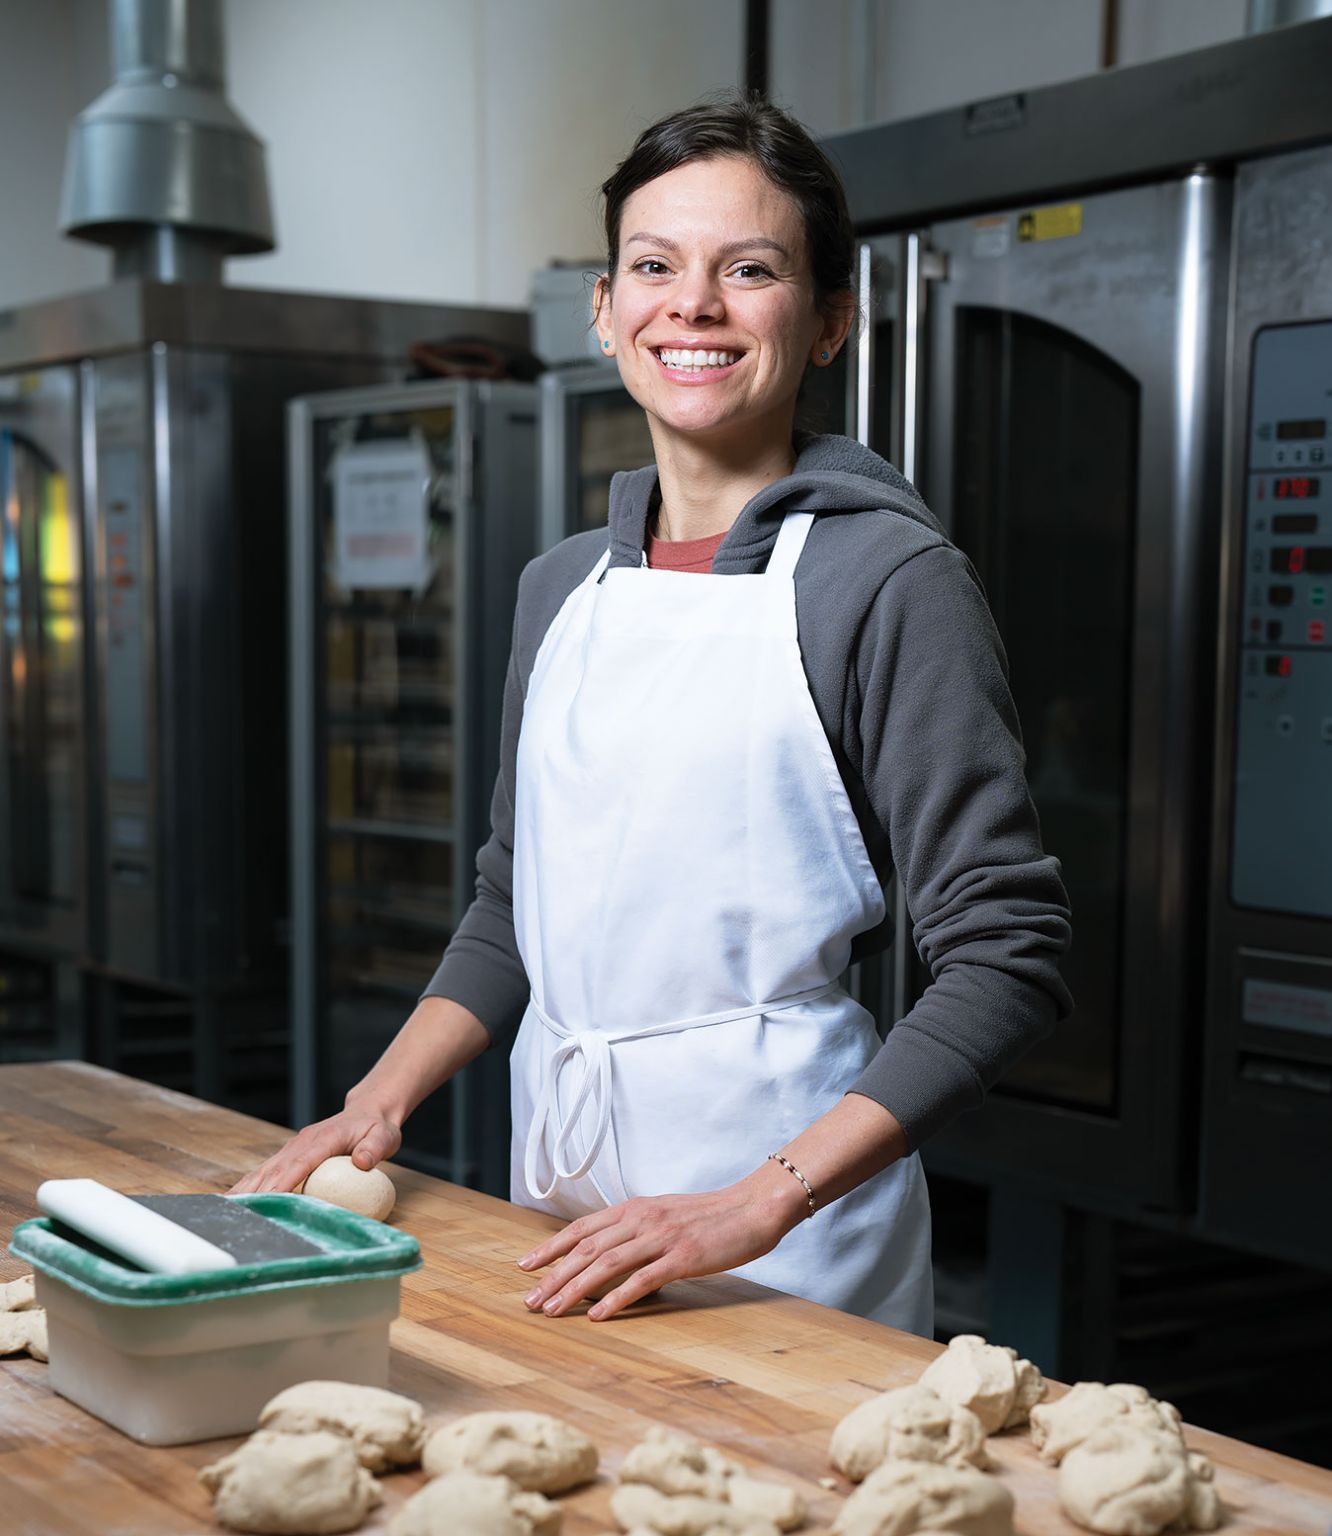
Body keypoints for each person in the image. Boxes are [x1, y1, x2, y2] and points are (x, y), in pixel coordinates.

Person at [235, 94, 1072, 1335]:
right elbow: (517, 901)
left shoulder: (889, 581)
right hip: (561, 1203)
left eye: (751, 269)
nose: (694, 305)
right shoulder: (562, 587)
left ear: (831, 320)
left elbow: (1009, 951)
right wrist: (378, 1099)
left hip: (786, 1240)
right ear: (607, 311)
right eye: (655, 266)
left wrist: (753, 1204)